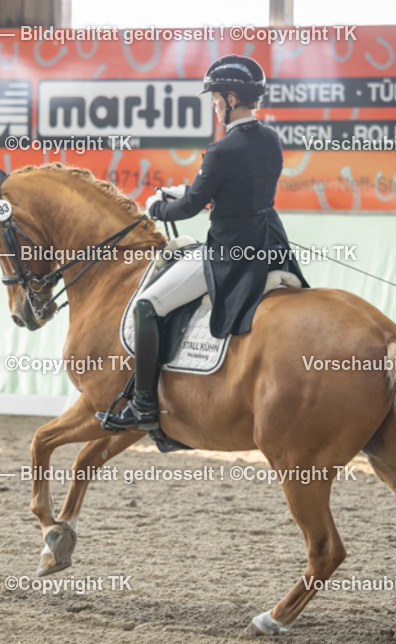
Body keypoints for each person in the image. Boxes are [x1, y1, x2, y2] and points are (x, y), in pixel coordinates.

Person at [97, 55, 307, 432]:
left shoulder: (221, 150)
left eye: (215, 99)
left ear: (230, 99)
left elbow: (190, 207)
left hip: (229, 252)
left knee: (146, 306)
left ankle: (144, 404)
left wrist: (157, 206)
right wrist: (191, 189)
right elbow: (237, 192)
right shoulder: (271, 140)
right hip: (269, 243)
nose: (213, 106)